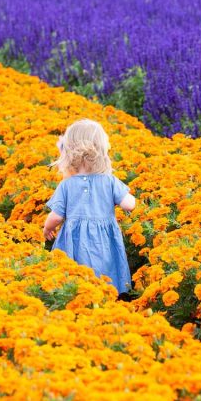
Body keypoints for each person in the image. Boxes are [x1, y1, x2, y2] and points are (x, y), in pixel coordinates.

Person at [43, 119, 136, 296]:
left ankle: (80, 299)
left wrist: (48, 228)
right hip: (104, 242)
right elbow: (129, 204)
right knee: (107, 271)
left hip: (74, 243)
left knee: (74, 279)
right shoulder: (109, 181)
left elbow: (56, 216)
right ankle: (108, 300)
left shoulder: (66, 185)